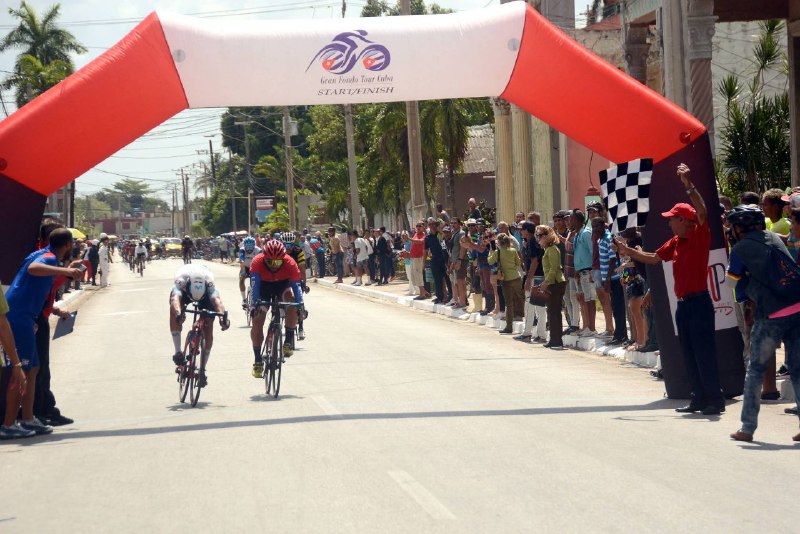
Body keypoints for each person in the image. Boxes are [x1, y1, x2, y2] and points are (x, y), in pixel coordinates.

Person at [615, 163, 725, 415]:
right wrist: (628, 250)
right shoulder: (676, 241)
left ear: (683, 220)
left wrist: (688, 185)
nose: (669, 222)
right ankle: (698, 399)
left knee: (704, 353)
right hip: (683, 305)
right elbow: (653, 258)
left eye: (672, 219)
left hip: (699, 303)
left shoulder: (699, 234)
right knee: (689, 353)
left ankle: (715, 400)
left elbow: (702, 211)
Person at [725, 205, 800, 442]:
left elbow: (730, 283)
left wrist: (745, 292)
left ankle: (747, 428)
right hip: (797, 307)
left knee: (755, 370)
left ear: (739, 228)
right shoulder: (773, 238)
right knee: (797, 370)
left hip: (771, 315)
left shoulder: (740, 249)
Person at [2, 228, 82, 439]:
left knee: (33, 369)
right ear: (68, 244)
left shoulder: (44, 254)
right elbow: (34, 269)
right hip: (19, 317)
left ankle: (28, 419)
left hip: (27, 317)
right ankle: (8, 424)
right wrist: (64, 271)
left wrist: (64, 271)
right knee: (20, 371)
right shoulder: (47, 257)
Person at [249, 240, 304, 377]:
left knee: (292, 302)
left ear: (283, 259)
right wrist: (255, 304)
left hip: (282, 286)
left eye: (278, 262)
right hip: (263, 288)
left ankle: (288, 341)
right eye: (270, 262)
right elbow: (255, 287)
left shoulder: (290, 262)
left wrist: (300, 305)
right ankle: (257, 360)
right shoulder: (257, 262)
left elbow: (296, 286)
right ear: (264, 258)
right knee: (257, 320)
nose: (274, 265)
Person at [169, 264, 230, 387]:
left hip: (205, 297)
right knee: (174, 311)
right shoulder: (181, 280)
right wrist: (179, 314)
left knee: (208, 324)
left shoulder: (209, 283)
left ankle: (202, 370)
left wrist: (222, 317)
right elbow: (175, 299)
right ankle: (178, 351)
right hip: (184, 293)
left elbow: (217, 301)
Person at [516, 222, 547, 343]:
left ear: (527, 231)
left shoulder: (531, 241)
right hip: (539, 276)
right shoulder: (532, 241)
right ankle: (541, 334)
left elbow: (535, 261)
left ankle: (527, 333)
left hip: (535, 277)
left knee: (529, 306)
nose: (520, 231)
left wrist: (528, 279)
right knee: (539, 307)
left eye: (521, 229)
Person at [537, 225, 567, 349]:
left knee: (554, 312)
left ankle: (557, 340)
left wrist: (546, 282)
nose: (538, 238)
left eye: (540, 235)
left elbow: (554, 268)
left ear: (547, 236)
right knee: (551, 311)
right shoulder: (548, 249)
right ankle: (554, 339)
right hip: (552, 282)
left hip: (555, 283)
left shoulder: (552, 249)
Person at [489, 233, 523, 334]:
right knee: (522, 298)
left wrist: (490, 253)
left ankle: (509, 327)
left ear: (499, 242)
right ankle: (530, 319)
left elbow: (490, 261)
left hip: (506, 279)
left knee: (509, 304)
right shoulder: (513, 250)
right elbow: (518, 263)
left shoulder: (498, 252)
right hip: (516, 277)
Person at [571, 210, 596, 336]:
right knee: (583, 300)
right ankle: (586, 326)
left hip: (588, 271)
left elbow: (593, 251)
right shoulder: (577, 235)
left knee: (590, 300)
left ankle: (592, 328)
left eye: (570, 219)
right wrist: (576, 271)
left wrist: (593, 271)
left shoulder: (586, 233)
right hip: (580, 272)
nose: (568, 222)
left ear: (576, 220)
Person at [425, 219, 447, 304]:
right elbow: (426, 250)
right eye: (430, 224)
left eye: (434, 224)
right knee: (437, 279)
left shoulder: (441, 234)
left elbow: (445, 243)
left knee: (447, 278)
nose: (432, 225)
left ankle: (449, 296)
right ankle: (439, 297)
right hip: (434, 259)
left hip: (444, 258)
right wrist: (424, 262)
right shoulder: (428, 237)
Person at [238, 236, 261, 308]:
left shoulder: (259, 250)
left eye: (250, 248)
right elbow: (242, 261)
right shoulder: (242, 250)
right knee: (241, 280)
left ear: (254, 246)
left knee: (254, 283)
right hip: (245, 267)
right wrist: (242, 271)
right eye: (247, 248)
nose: (249, 250)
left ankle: (254, 298)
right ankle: (244, 299)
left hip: (255, 268)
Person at [409, 222, 429, 299]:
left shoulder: (424, 235)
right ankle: (424, 292)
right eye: (417, 226)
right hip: (413, 257)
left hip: (419, 257)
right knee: (414, 276)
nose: (418, 227)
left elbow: (420, 242)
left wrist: (409, 239)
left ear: (423, 227)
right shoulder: (415, 234)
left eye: (420, 226)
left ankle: (422, 294)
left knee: (418, 275)